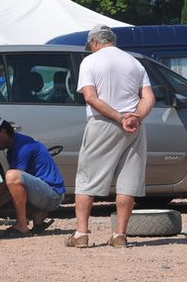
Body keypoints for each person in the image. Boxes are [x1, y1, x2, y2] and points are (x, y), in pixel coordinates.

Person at [66, 24, 155, 248]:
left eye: (91, 46)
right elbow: (149, 98)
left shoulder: (90, 61)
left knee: (87, 178)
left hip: (104, 122)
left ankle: (81, 234)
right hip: (134, 126)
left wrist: (118, 117)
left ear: (94, 42)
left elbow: (90, 97)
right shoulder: (135, 62)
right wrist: (135, 117)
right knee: (128, 182)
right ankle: (120, 235)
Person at [0, 116, 65, 238]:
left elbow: (12, 182)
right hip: (42, 194)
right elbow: (13, 189)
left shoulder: (22, 146)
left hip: (52, 195)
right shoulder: (14, 148)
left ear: (2, 132)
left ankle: (21, 226)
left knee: (12, 176)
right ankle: (38, 214)